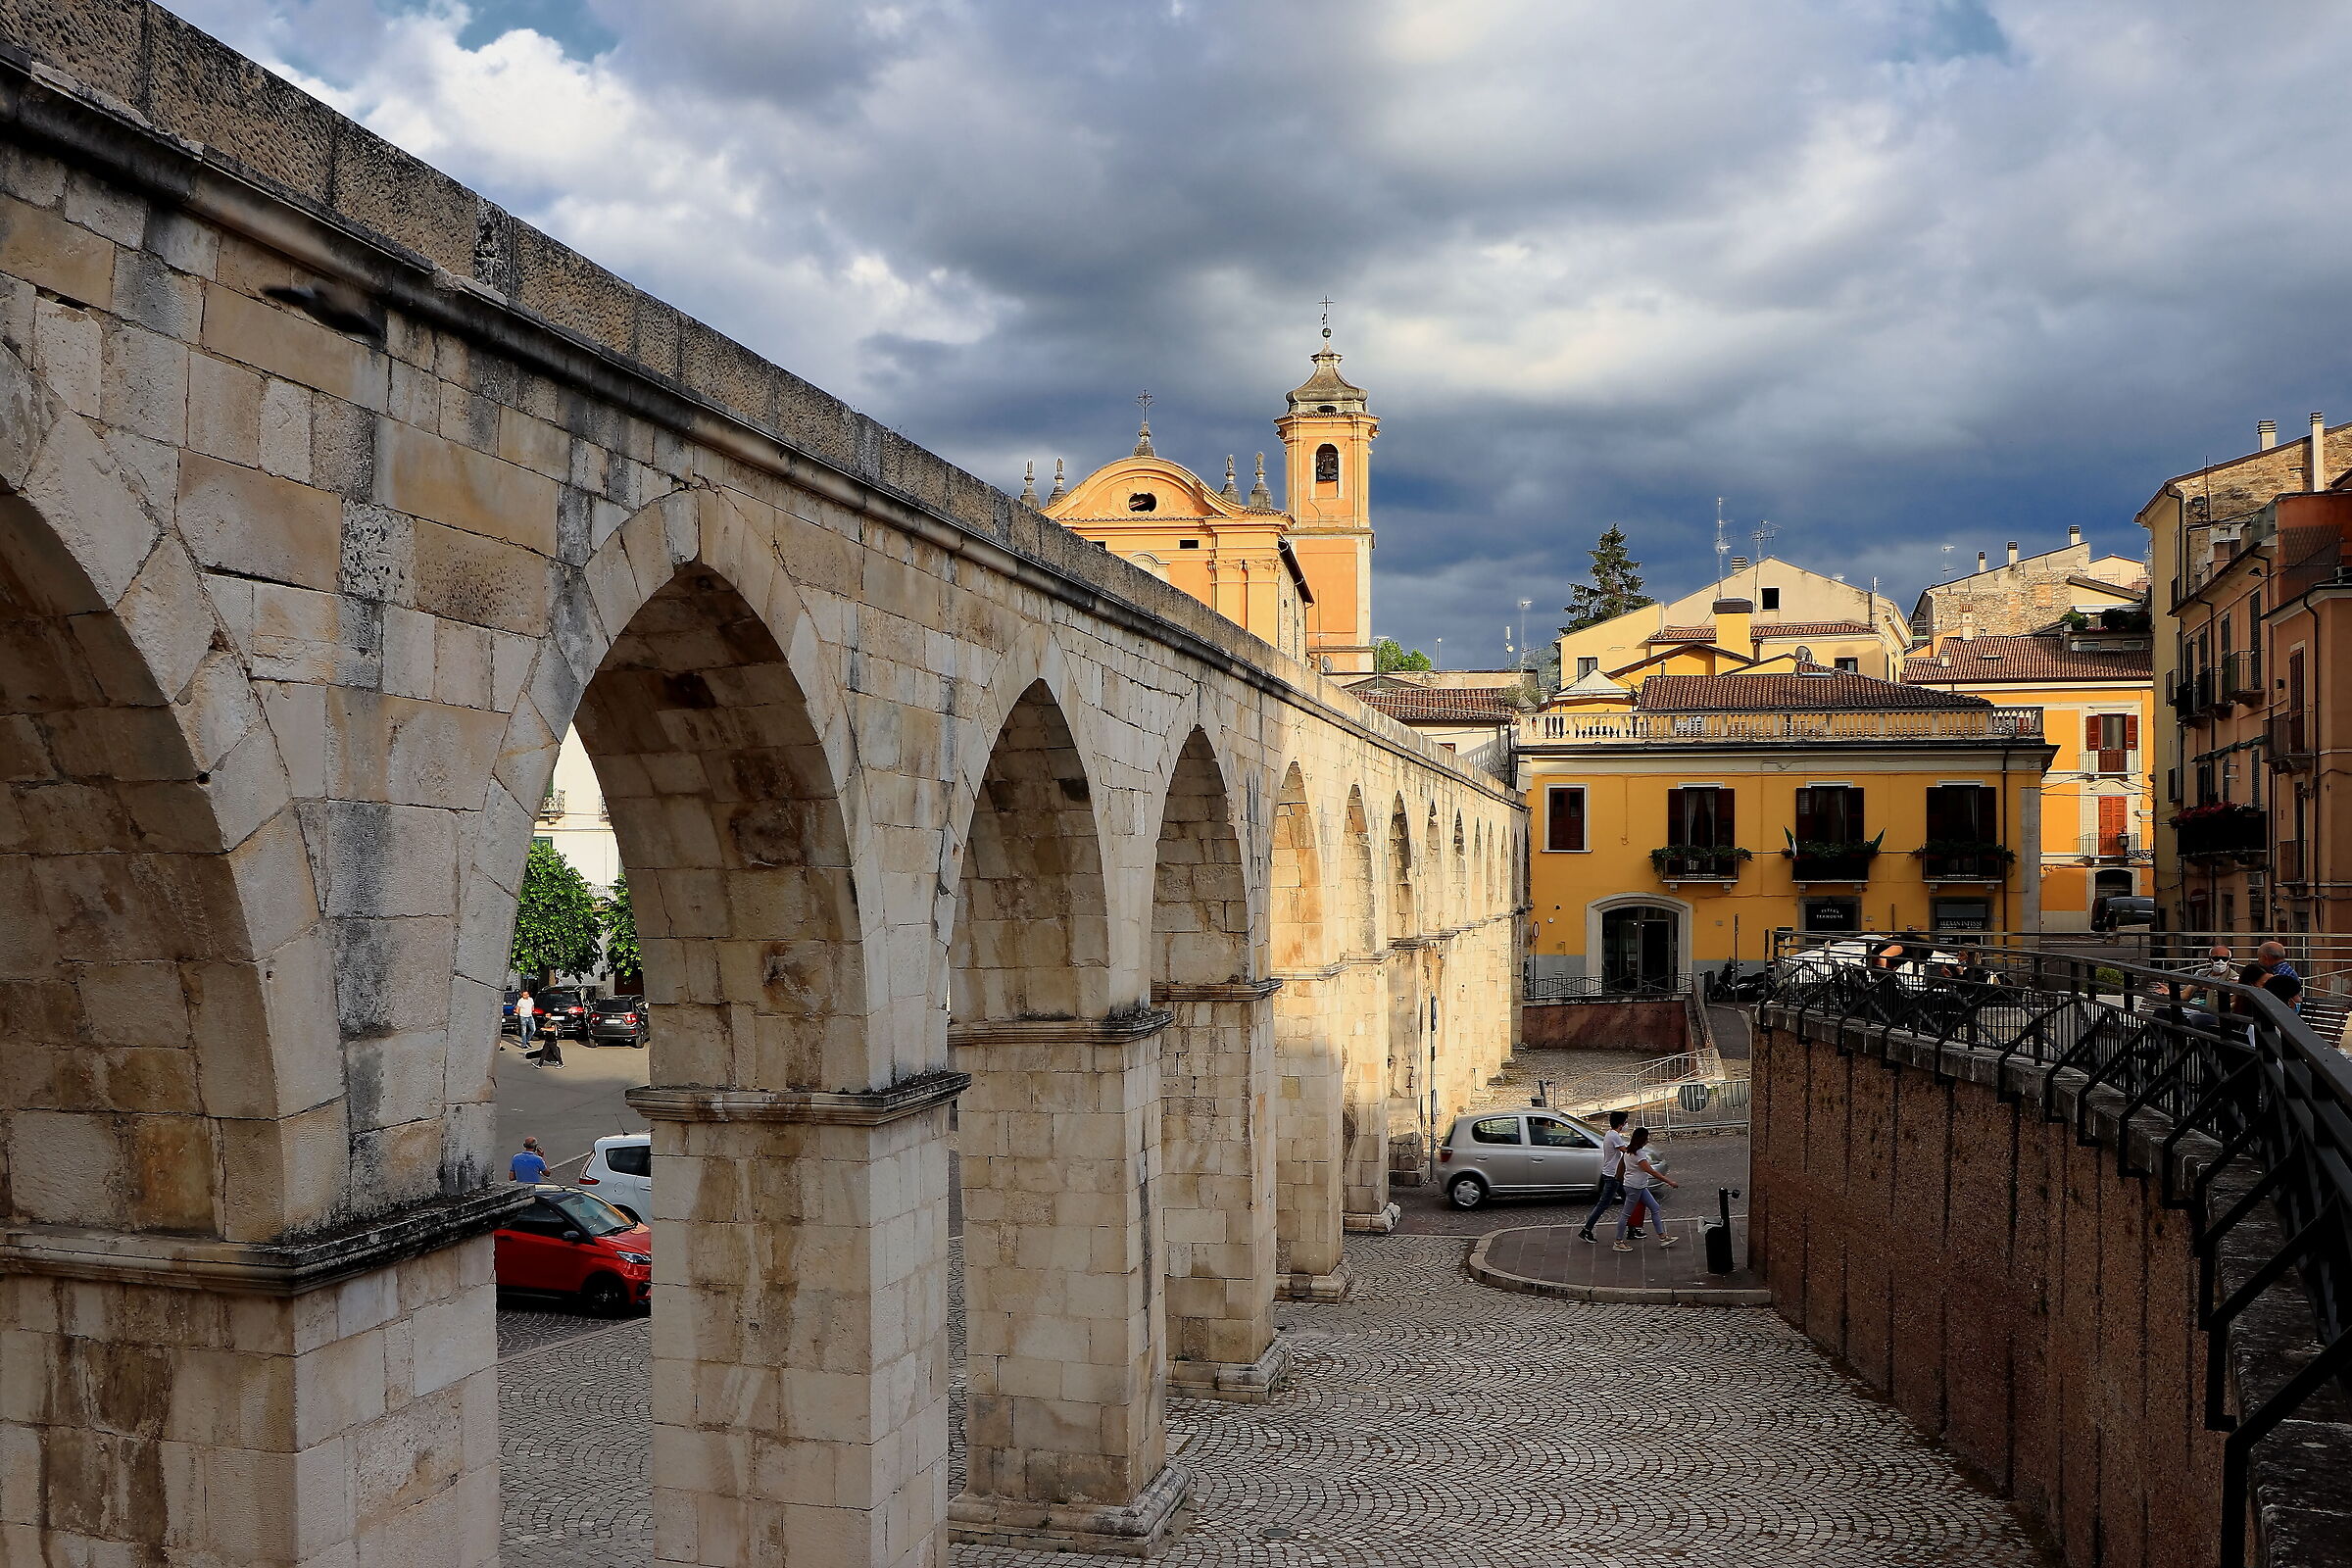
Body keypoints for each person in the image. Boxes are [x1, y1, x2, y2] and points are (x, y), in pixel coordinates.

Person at [1613, 1127, 1681, 1251]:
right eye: (1646, 1138)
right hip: (1635, 1187)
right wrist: (1669, 1181)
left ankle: (1663, 1237)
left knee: (1654, 1207)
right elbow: (1650, 1171)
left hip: (1637, 1186)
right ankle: (1618, 1242)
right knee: (1626, 1214)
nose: (1647, 1140)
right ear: (1642, 1139)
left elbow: (1623, 1167)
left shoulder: (1628, 1150)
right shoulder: (1639, 1154)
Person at [1577, 1110, 1631, 1243]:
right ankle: (1586, 1230)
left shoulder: (1610, 1134)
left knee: (1628, 1200)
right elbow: (1626, 1151)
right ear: (1620, 1124)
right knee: (1604, 1204)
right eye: (1625, 1122)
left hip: (1614, 1174)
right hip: (1613, 1176)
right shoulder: (1615, 1136)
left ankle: (1633, 1228)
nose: (1626, 1125)